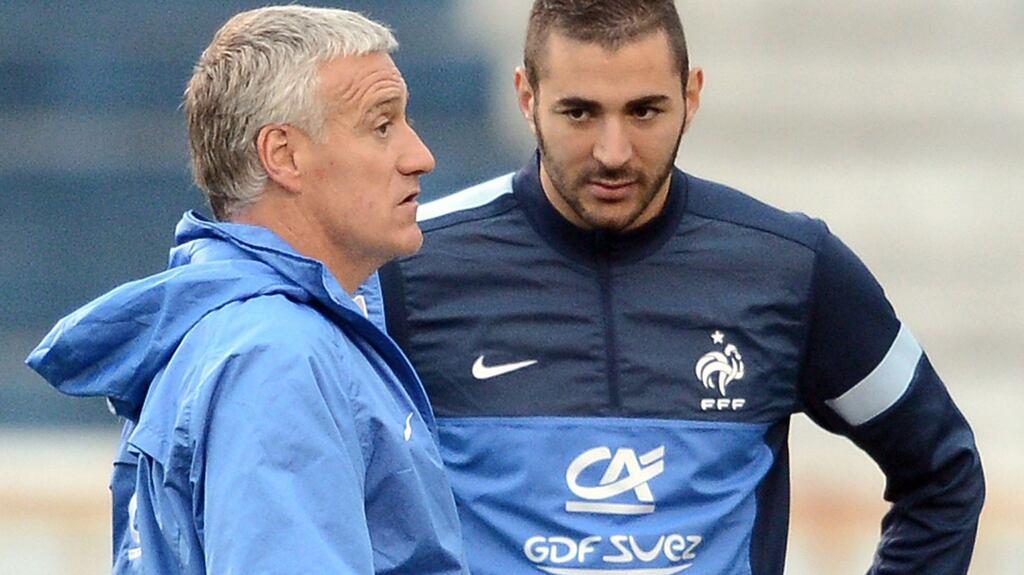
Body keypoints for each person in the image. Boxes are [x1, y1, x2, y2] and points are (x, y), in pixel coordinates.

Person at [378, 1, 985, 574]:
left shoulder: (791, 268)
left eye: (644, 111)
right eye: (579, 112)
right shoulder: (406, 265)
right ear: (526, 97)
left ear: (691, 97)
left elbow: (942, 471)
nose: (612, 152)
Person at [26, 5, 468, 574]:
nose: (420, 157)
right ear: (284, 156)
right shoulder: (276, 355)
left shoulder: (245, 334)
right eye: (382, 126)